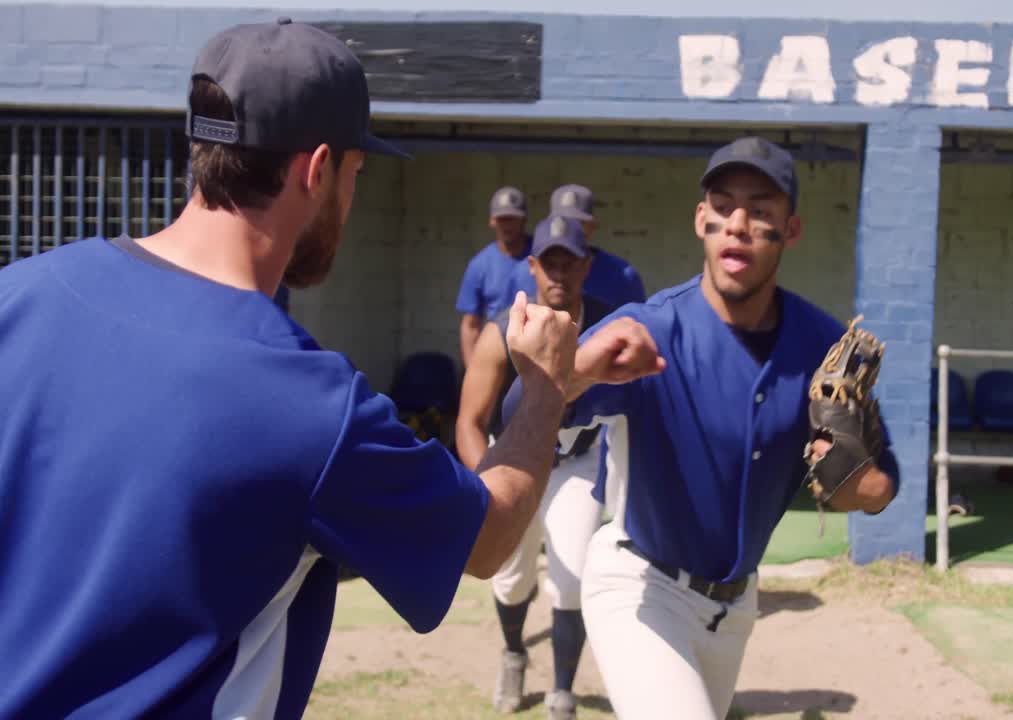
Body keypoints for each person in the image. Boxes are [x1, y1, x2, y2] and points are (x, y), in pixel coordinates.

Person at [0, 19, 663, 720]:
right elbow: (490, 537)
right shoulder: (311, 403)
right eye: (355, 174)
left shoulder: (20, 296)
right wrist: (544, 390)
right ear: (317, 171)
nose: (350, 200)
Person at [505, 136, 900, 720]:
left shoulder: (821, 345)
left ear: (790, 231)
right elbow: (516, 415)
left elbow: (876, 485)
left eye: (761, 210)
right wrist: (581, 371)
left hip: (736, 607)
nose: (738, 224)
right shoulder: (650, 328)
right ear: (701, 221)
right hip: (640, 585)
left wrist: (858, 481)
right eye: (723, 206)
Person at [456, 215, 619, 719]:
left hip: (576, 458)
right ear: (532, 266)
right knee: (510, 577)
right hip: (511, 458)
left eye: (570, 262)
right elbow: (469, 420)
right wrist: (489, 481)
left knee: (570, 578)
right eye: (550, 262)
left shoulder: (610, 324)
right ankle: (513, 652)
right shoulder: (503, 330)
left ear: (587, 265)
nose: (559, 274)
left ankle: (563, 689)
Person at [505, 184, 647, 308]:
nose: (570, 228)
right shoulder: (524, 272)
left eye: (579, 222)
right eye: (563, 221)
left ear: (592, 226)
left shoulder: (623, 276)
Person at [457, 186, 532, 367]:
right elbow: (470, 325)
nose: (507, 225)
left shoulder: (543, 257)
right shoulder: (480, 264)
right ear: (492, 221)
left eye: (513, 219)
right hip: (498, 352)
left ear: (524, 220)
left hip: (536, 350)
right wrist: (472, 372)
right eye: (502, 219)